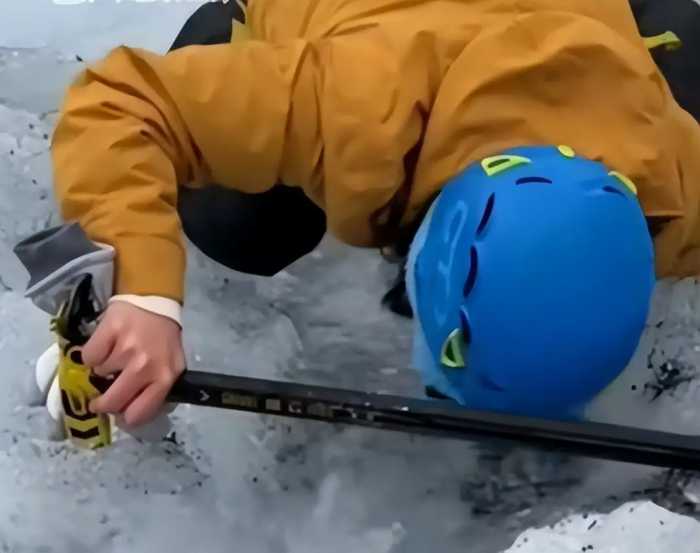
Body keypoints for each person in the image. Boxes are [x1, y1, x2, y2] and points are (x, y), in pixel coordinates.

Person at [33, 0, 700, 429]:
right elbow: (121, 101)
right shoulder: (354, 105)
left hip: (568, 34)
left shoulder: (673, 173)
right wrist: (144, 294)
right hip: (364, 28)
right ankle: (226, 27)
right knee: (242, 223)